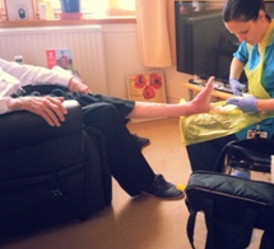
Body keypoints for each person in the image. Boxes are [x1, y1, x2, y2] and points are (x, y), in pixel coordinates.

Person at [0, 58, 215, 200]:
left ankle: (188, 108)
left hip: (26, 95)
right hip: (15, 113)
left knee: (103, 101)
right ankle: (144, 180)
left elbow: (23, 72)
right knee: (104, 113)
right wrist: (13, 104)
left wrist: (68, 80)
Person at [186, 0, 274, 171]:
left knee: (202, 135)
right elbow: (238, 57)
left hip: (272, 125)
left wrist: (256, 105)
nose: (240, 39)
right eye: (235, 34)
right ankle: (214, 188)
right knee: (193, 123)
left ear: (261, 16)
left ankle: (216, 190)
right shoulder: (253, 38)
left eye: (243, 32)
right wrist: (233, 79)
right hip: (254, 113)